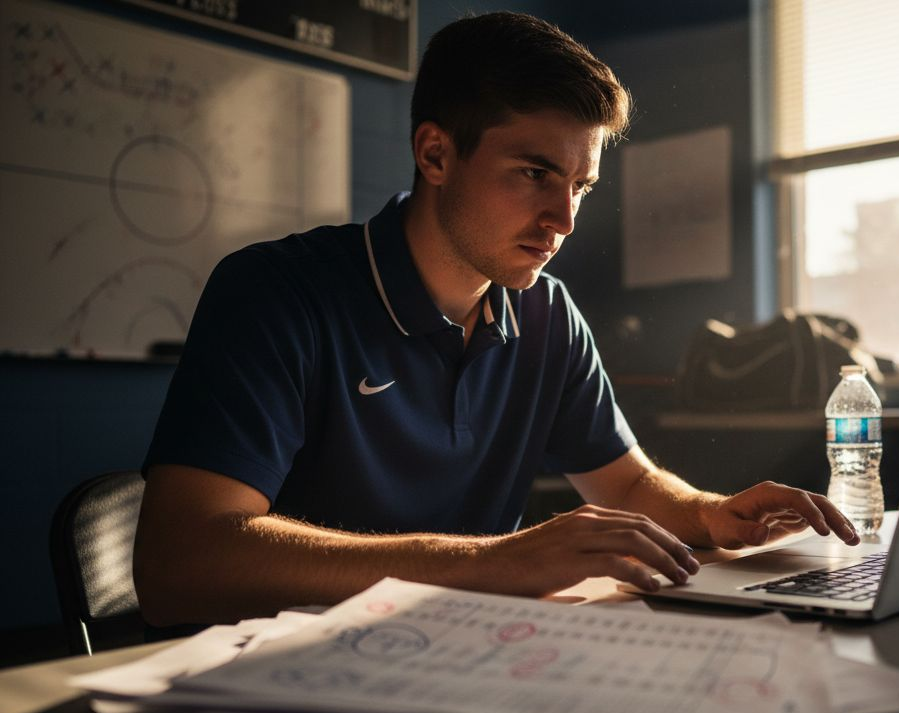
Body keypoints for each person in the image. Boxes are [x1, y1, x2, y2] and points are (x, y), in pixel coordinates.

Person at [133, 11, 858, 627]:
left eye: (581, 185)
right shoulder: (276, 292)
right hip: (279, 677)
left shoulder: (549, 314)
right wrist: (491, 560)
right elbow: (182, 560)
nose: (564, 219)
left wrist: (711, 513)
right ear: (435, 153)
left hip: (470, 652)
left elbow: (629, 486)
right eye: (536, 174)